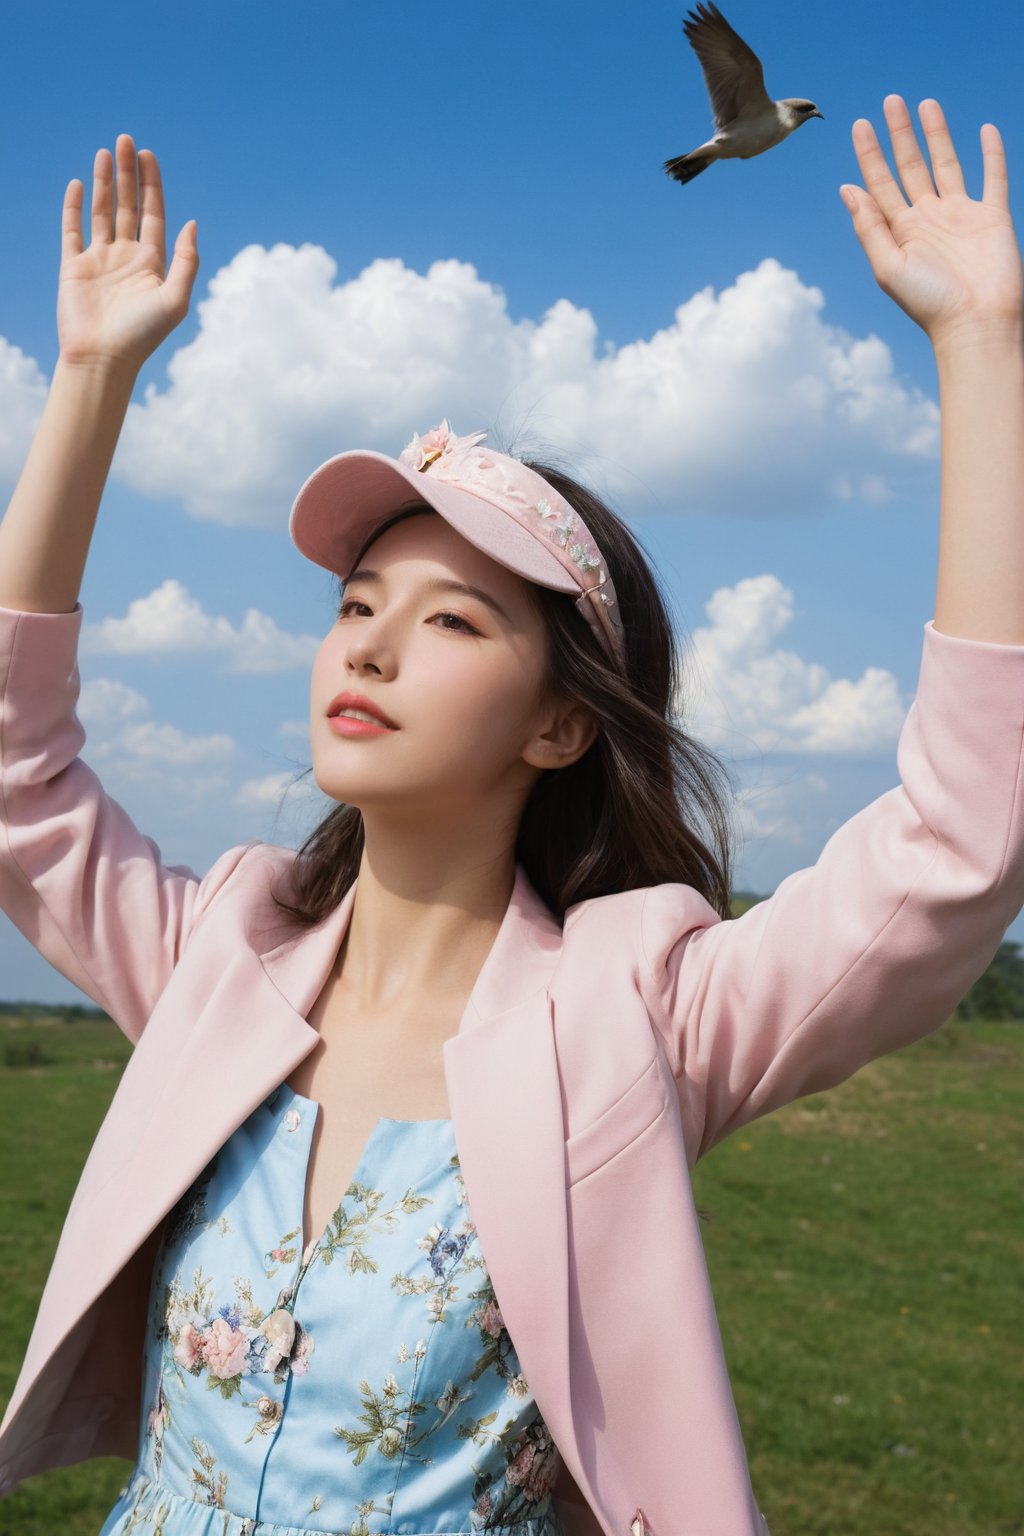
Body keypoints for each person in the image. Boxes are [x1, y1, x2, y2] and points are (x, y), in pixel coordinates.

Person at [0, 95, 1022, 1536]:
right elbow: (16, 770)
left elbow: (956, 850)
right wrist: (94, 379)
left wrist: (982, 350)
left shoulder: (638, 1022)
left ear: (560, 723)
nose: (366, 645)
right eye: (357, 606)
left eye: (452, 619)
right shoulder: (214, 957)